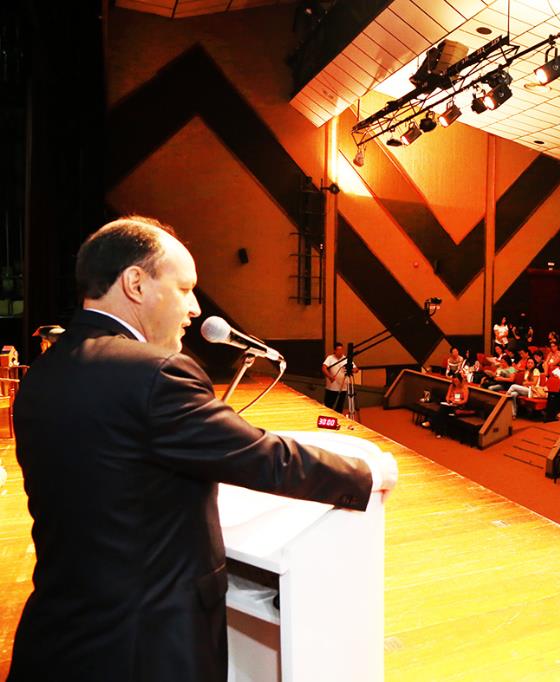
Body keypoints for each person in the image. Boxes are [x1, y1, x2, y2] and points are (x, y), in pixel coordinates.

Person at [9, 216, 396, 681]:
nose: (194, 308)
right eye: (184, 288)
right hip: (147, 646)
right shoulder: (156, 371)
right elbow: (261, 457)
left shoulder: (43, 374)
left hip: (62, 632)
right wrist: (367, 474)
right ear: (135, 283)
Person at [322, 342, 357, 411]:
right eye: (338, 350)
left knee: (339, 407)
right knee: (328, 406)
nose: (340, 352)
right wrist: (329, 377)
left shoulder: (346, 359)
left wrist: (352, 370)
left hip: (343, 388)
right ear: (335, 350)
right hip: (331, 388)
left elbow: (356, 369)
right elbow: (324, 368)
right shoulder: (330, 358)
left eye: (342, 350)